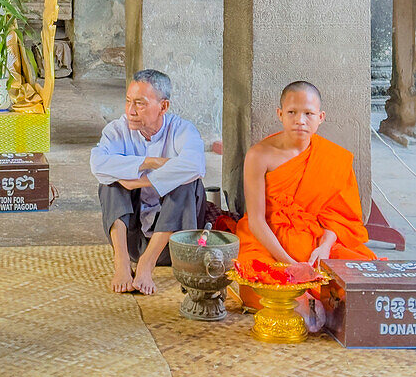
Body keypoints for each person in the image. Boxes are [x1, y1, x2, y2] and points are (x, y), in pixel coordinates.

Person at [235, 81, 375, 270]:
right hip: (268, 241)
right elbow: (256, 221)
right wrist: (290, 264)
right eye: (292, 112)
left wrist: (324, 248)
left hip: (316, 241)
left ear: (320, 117)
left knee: (357, 275)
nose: (300, 120)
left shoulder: (333, 157)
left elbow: (338, 217)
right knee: (267, 284)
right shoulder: (259, 155)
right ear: (280, 114)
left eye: (308, 113)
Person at [91, 70, 206, 295]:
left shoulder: (182, 130)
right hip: (133, 239)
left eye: (140, 104)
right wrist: (149, 162)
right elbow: (98, 164)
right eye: (128, 102)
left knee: (186, 182)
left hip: (174, 244)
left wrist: (138, 181)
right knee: (110, 182)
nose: (130, 111)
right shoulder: (117, 129)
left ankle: (146, 264)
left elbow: (195, 166)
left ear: (163, 107)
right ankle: (122, 263)